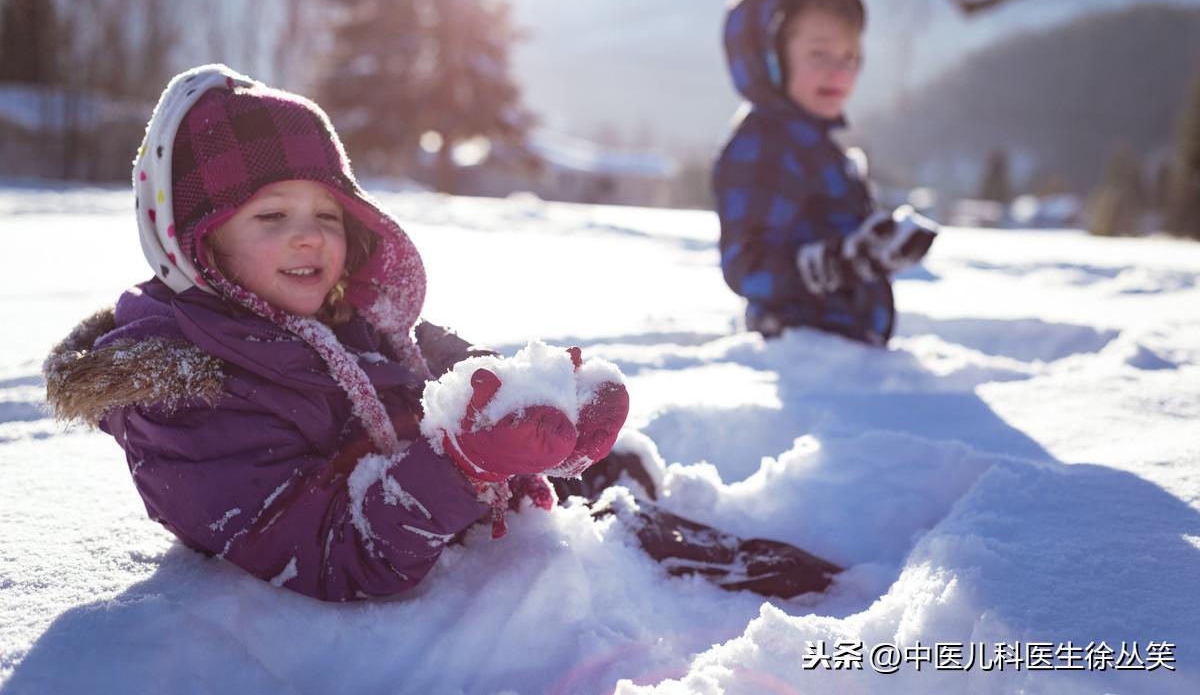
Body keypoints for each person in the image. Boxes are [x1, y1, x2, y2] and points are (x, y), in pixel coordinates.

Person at [44, 64, 840, 603]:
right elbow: (325, 554)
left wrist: (535, 406)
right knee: (637, 561)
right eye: (272, 216)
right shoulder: (187, 400)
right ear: (195, 239)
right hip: (404, 577)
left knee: (637, 507)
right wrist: (464, 461)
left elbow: (440, 367)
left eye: (328, 214)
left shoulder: (351, 320)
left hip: (456, 516)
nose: (311, 238)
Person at [713, 0, 939, 345]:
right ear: (771, 57)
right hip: (801, 350)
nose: (839, 71)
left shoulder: (816, 147)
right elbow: (746, 265)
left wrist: (876, 248)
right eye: (819, 53)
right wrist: (838, 265)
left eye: (851, 57)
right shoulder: (764, 145)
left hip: (841, 351)